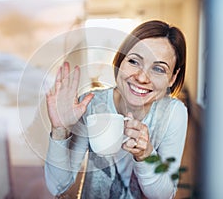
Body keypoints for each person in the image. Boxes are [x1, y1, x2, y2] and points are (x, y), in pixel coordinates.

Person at [44, 20, 188, 199]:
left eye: (158, 68)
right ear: (120, 60)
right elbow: (58, 186)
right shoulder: (91, 105)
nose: (142, 78)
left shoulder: (174, 113)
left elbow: (165, 195)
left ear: (173, 78)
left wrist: (146, 155)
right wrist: (60, 131)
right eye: (134, 61)